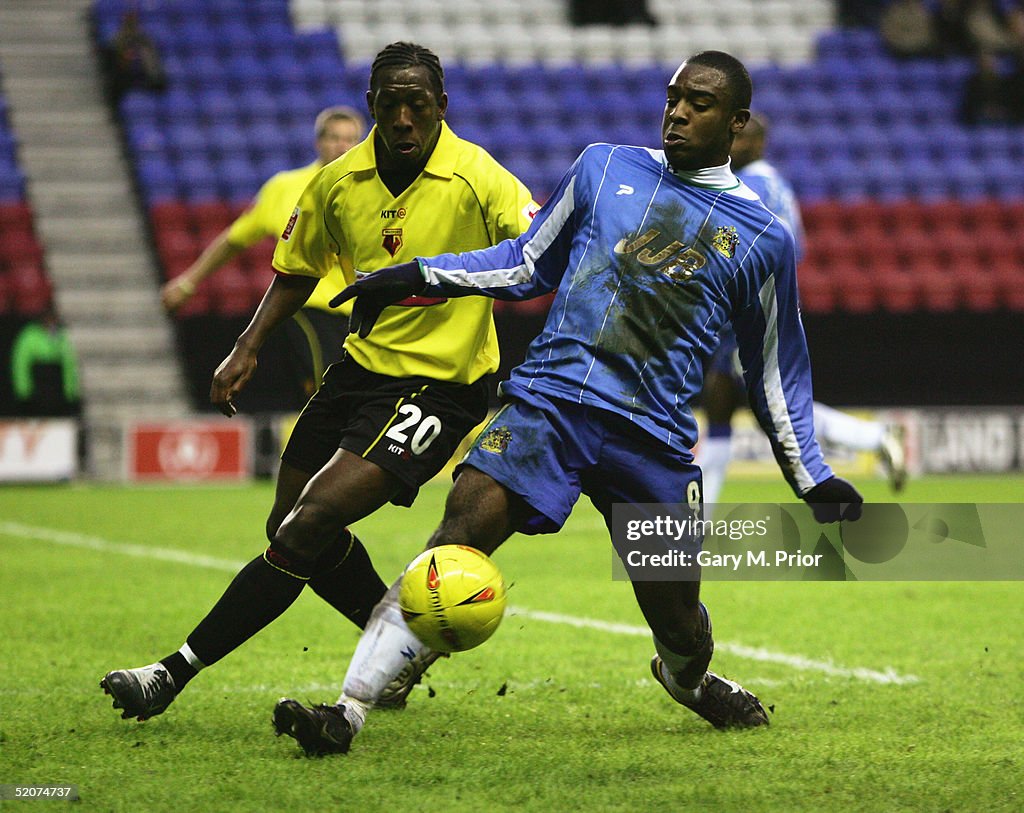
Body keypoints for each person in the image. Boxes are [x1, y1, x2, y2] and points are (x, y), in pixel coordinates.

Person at [271, 50, 864, 756]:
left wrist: (812, 477)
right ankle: (348, 711)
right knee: (456, 535)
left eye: (699, 103)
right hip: (549, 406)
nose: (677, 111)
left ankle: (689, 680)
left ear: (735, 123)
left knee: (677, 619)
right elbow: (526, 262)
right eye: (673, 96)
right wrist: (416, 273)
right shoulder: (603, 168)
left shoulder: (762, 239)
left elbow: (773, 371)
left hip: (654, 439)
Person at [100, 42, 537, 723]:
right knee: (287, 522)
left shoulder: (479, 176)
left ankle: (169, 672)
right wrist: (247, 343)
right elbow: (296, 265)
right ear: (371, 105)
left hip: (440, 389)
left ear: (440, 107)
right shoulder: (337, 182)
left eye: (416, 105)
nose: (402, 118)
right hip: (358, 374)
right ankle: (386, 646)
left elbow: (534, 249)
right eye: (389, 104)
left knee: (307, 523)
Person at [696, 113, 907, 517]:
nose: (731, 147)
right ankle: (696, 517)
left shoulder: (749, 185)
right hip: (754, 311)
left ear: (758, 144)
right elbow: (797, 248)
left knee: (773, 410)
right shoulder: (777, 185)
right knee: (723, 405)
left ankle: (874, 436)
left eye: (740, 141)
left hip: (750, 315)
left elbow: (737, 247)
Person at [161, 107, 366, 399]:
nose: (341, 146)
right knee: (328, 387)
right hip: (307, 305)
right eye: (334, 137)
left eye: (350, 139)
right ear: (318, 142)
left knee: (352, 394)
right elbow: (234, 240)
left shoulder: (372, 191)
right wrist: (188, 282)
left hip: (359, 310)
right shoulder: (285, 188)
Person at [10, 303, 81, 417]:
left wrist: (71, 392)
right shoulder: (29, 335)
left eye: (53, 318)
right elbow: (20, 364)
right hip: (38, 388)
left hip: (57, 389)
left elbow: (70, 365)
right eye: (48, 317)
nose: (51, 321)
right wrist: (24, 390)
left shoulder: (63, 335)